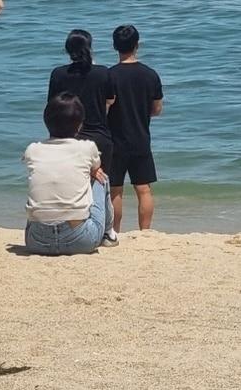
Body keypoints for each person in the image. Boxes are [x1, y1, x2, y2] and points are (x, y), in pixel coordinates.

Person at [22, 93, 114, 255]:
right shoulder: (87, 148)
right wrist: (91, 171)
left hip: (36, 241)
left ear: (46, 121)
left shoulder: (33, 149)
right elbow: (96, 168)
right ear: (79, 125)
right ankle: (108, 234)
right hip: (81, 240)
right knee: (100, 177)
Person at [107, 25, 164, 233]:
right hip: (140, 138)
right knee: (143, 189)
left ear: (115, 46)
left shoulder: (109, 76)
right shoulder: (150, 75)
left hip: (115, 139)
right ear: (137, 45)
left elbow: (105, 108)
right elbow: (157, 110)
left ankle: (114, 232)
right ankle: (145, 232)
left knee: (115, 190)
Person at [48, 29, 115, 167]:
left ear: (67, 50)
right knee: (101, 180)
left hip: (66, 139)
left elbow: (52, 105)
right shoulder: (103, 72)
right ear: (89, 48)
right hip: (98, 137)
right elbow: (110, 101)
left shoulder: (58, 74)